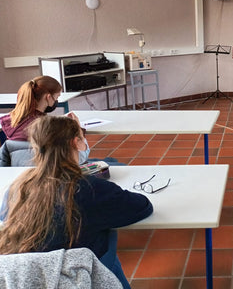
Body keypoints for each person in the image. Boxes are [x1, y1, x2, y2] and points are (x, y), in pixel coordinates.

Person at [0, 116, 153, 288]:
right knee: (107, 235)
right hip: (85, 278)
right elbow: (143, 206)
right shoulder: (90, 190)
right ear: (76, 142)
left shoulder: (16, 190)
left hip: (26, 280)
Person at [0, 75, 91, 164]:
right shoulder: (48, 127)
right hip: (50, 173)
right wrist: (78, 129)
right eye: (56, 97)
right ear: (48, 97)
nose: (56, 100)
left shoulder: (9, 122)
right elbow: (79, 158)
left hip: (21, 173)